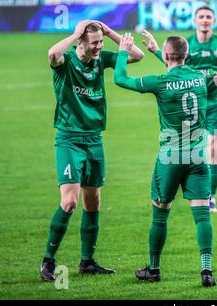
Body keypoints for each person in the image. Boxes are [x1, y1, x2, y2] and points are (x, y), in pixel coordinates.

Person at [40, 21, 144, 281]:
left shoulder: (101, 59)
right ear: (80, 43)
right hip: (70, 139)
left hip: (94, 139)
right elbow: (52, 54)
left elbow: (135, 55)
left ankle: (87, 262)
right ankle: (48, 261)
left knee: (93, 201)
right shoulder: (66, 64)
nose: (99, 47)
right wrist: (75, 33)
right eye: (94, 42)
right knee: (70, 202)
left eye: (101, 42)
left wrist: (108, 32)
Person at [114, 33, 216, 287]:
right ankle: (206, 271)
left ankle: (154, 268)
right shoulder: (199, 78)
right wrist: (157, 50)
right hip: (198, 156)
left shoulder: (159, 82)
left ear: (168, 56)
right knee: (202, 216)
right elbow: (178, 69)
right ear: (186, 55)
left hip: (170, 157)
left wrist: (124, 51)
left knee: (160, 214)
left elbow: (120, 78)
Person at [141, 5, 217, 214]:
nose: (205, 20)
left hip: (215, 104)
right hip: (191, 106)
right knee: (187, 148)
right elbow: (175, 63)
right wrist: (156, 51)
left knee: (213, 147)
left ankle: (210, 195)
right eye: (201, 17)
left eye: (208, 17)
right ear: (195, 20)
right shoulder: (187, 43)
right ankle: (182, 186)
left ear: (214, 21)